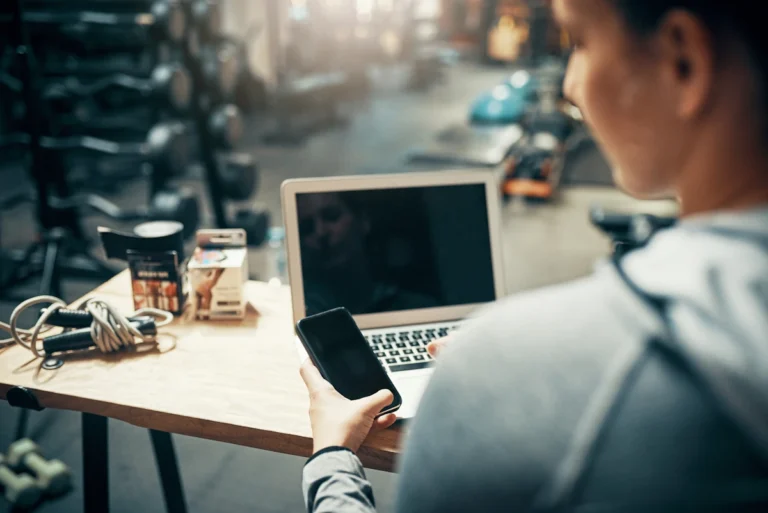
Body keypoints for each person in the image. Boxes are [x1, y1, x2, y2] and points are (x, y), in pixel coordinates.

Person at [300, 0, 768, 511]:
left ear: (684, 62)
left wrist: (332, 456)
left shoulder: (499, 374)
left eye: (580, 44)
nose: (569, 86)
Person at [298, 192, 439, 316]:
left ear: (363, 220)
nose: (321, 232)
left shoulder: (417, 306)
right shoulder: (306, 309)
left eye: (332, 216)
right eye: (307, 226)